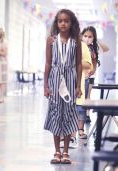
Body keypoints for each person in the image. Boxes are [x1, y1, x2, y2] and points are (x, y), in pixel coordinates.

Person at [44, 9, 82, 164]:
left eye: (66, 21)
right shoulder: (51, 40)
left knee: (69, 114)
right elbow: (47, 63)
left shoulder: (76, 41)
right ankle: (56, 151)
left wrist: (79, 85)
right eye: (60, 21)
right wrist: (45, 85)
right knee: (55, 114)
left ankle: (66, 151)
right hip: (55, 79)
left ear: (71, 23)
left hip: (70, 80)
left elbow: (79, 64)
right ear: (57, 23)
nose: (63, 23)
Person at [81, 26, 101, 123]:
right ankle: (79, 115)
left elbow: (94, 64)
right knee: (80, 96)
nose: (87, 38)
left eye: (90, 37)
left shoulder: (93, 49)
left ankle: (87, 115)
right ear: (81, 36)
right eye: (85, 36)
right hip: (81, 76)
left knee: (87, 95)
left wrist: (90, 72)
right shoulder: (78, 46)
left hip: (90, 75)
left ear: (93, 38)